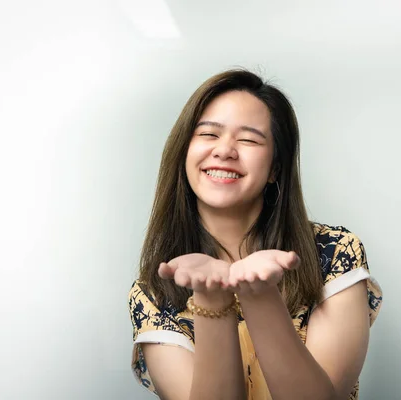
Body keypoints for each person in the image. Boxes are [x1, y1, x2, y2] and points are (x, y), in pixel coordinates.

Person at [127, 69, 383, 400]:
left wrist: (260, 295)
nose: (225, 151)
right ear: (183, 153)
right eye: (208, 134)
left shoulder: (335, 253)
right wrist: (212, 299)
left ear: (276, 167)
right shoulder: (152, 293)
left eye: (248, 139)